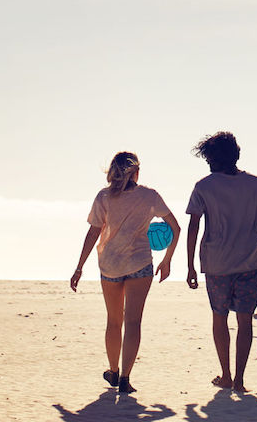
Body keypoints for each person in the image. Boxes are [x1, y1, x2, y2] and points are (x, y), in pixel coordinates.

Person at [70, 152, 180, 394]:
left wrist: (79, 267)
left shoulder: (103, 197)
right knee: (133, 322)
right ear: (136, 172)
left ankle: (113, 370)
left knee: (114, 321)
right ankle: (125, 379)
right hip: (140, 265)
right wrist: (167, 260)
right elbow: (176, 227)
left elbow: (93, 234)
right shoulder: (149, 196)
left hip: (110, 264)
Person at [183, 131, 257, 393]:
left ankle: (226, 375)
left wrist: (191, 265)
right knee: (244, 321)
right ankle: (239, 380)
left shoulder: (204, 186)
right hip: (251, 263)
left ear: (211, 159)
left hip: (216, 265)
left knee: (219, 318)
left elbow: (193, 227)